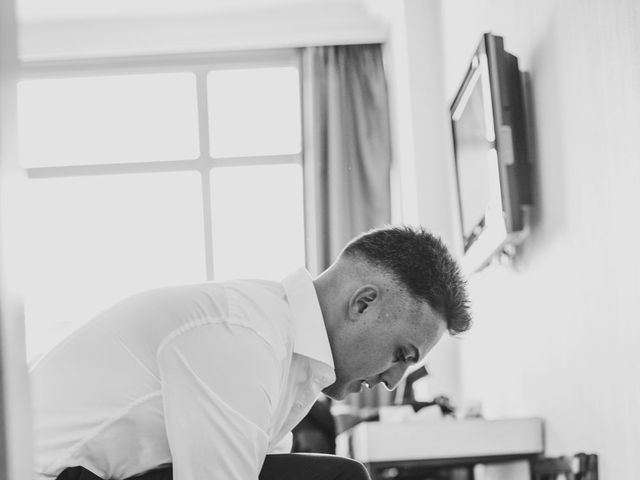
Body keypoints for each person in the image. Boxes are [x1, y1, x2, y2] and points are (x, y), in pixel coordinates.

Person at [30, 225, 471, 480]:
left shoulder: (289, 353)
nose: (394, 380)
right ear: (362, 303)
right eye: (402, 354)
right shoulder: (244, 338)